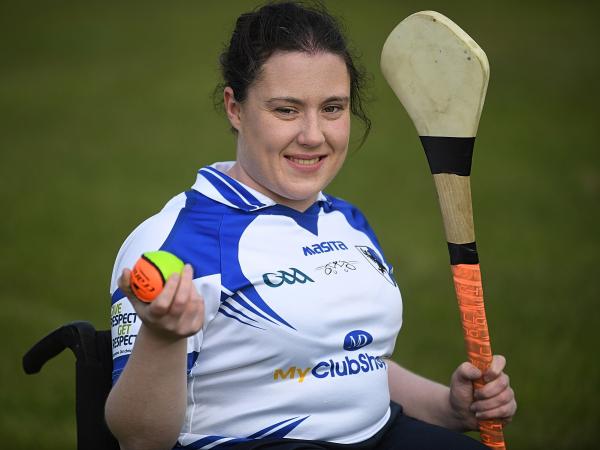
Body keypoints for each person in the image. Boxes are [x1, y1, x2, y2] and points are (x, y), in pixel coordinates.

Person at [105, 2, 516, 450]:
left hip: (381, 434)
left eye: (333, 108)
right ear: (235, 108)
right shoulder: (173, 242)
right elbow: (139, 439)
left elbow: (350, 359)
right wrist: (163, 336)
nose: (314, 135)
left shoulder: (346, 222)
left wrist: (447, 408)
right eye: (287, 110)